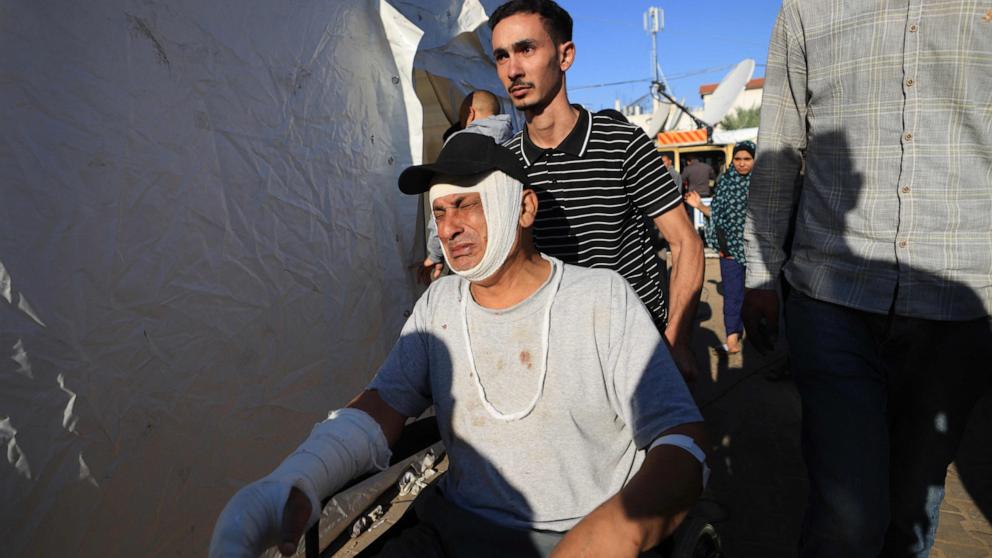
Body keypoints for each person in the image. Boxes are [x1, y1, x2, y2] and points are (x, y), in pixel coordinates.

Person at [209, 133, 708, 558]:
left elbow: (681, 443)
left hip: (575, 535)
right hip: (453, 530)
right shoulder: (440, 304)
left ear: (525, 207)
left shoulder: (601, 298)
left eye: (467, 203)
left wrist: (607, 536)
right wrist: (298, 478)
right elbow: (382, 405)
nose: (448, 227)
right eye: (440, 210)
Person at [743, 2, 992, 556]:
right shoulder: (806, 8)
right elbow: (780, 148)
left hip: (960, 299)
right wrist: (761, 278)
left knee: (912, 515)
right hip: (831, 297)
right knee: (848, 521)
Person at [489, 0, 704, 381]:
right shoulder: (503, 164)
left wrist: (675, 341)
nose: (513, 69)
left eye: (526, 49)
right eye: (502, 56)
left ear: (565, 55)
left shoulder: (622, 143)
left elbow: (686, 243)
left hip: (633, 352)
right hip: (548, 361)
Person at [420, 90, 515, 284]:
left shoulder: (460, 144)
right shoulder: (513, 142)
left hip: (474, 258)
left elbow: (444, 203)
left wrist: (435, 254)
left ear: (470, 114)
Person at [685, 141, 753, 354]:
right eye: (738, 159)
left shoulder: (762, 184)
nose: (742, 164)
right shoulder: (725, 183)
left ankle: (762, 338)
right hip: (729, 251)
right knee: (732, 297)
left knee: (755, 296)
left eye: (747, 159)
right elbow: (717, 214)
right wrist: (699, 206)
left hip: (757, 252)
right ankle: (732, 340)